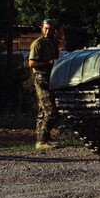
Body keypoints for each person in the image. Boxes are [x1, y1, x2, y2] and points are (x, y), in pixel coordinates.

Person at [28, 19, 61, 149]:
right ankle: (41, 140)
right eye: (46, 28)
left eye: (50, 29)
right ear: (42, 28)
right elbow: (31, 63)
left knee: (43, 110)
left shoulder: (53, 43)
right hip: (42, 78)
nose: (48, 31)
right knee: (51, 110)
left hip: (51, 77)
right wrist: (48, 63)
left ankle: (43, 139)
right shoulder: (38, 43)